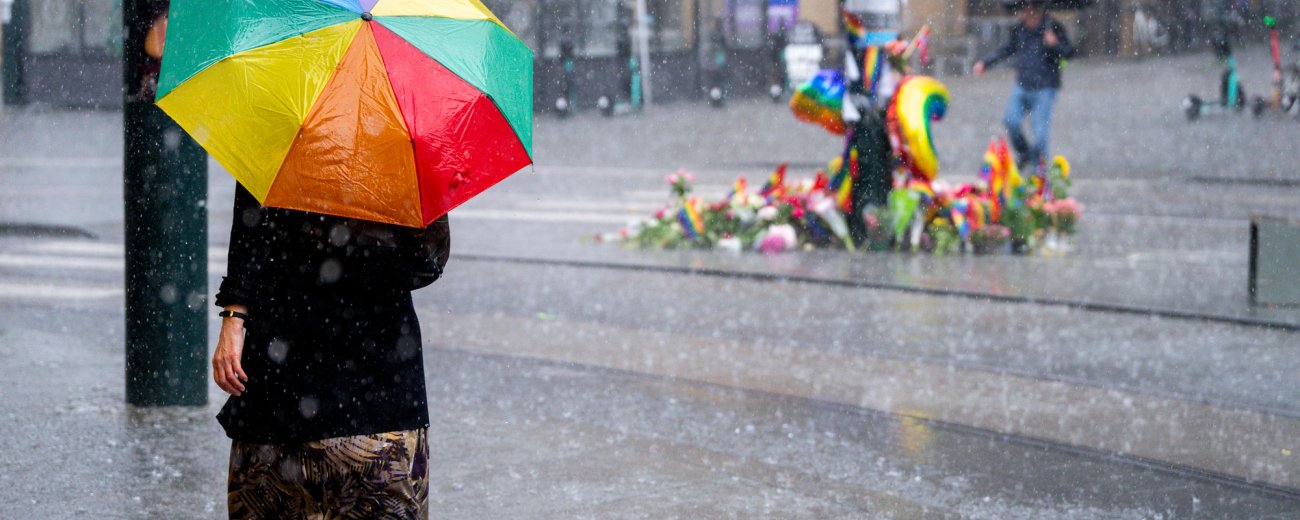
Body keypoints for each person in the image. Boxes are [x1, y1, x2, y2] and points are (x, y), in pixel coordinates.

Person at [212, 185, 450, 518]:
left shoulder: (283, 151)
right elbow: (427, 260)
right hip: (361, 382)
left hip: (301, 374)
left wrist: (235, 317)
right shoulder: (402, 162)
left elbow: (250, 234)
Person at [973, 0, 1075, 171]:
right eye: (1025, 11)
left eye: (1031, 12)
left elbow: (1070, 52)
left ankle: (1039, 173)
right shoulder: (1020, 30)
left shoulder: (1053, 27)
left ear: (1039, 11)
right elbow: (1007, 49)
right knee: (1011, 121)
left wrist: (1054, 44)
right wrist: (986, 63)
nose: (1028, 15)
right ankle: (1025, 153)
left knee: (1040, 137)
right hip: (1023, 85)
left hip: (1045, 87)